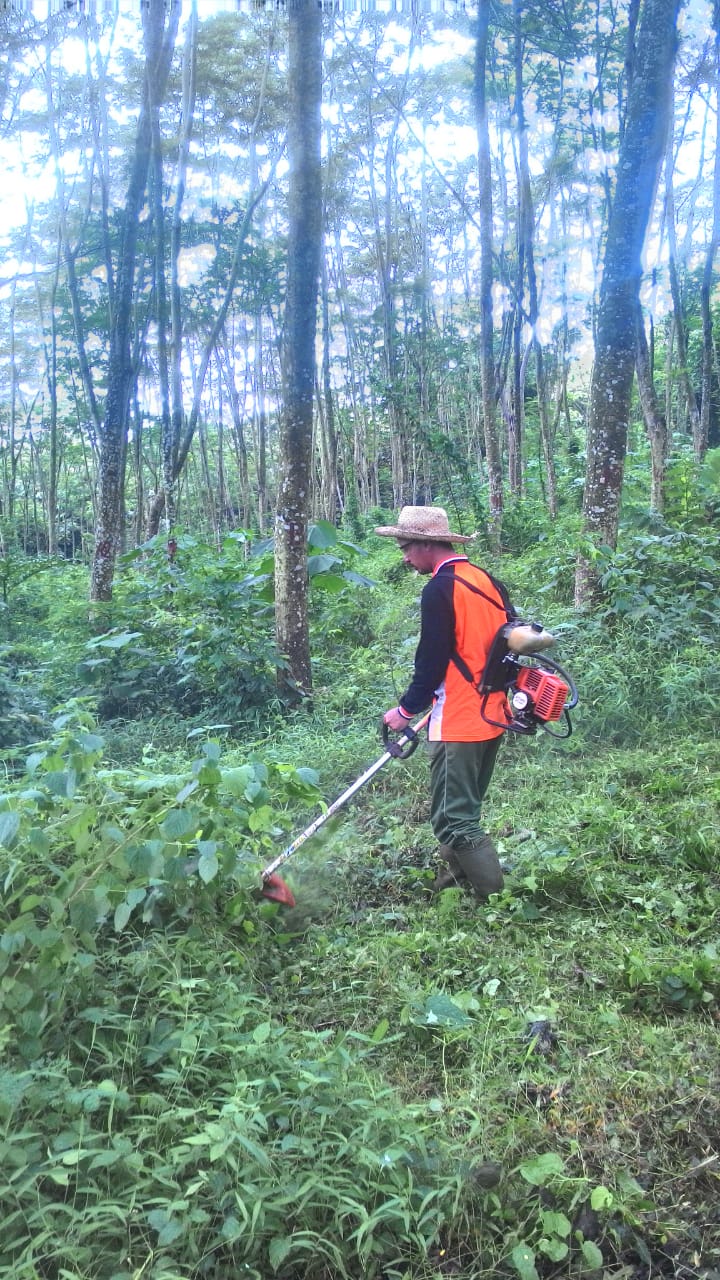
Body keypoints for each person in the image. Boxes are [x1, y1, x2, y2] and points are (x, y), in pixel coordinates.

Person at [375, 505, 509, 899]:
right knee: (462, 808)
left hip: (461, 718)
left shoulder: (439, 588)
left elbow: (431, 659)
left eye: (405, 547)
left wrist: (404, 711)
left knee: (453, 817)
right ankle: (455, 883)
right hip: (494, 713)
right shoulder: (486, 581)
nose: (404, 557)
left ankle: (495, 900)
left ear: (426, 544)